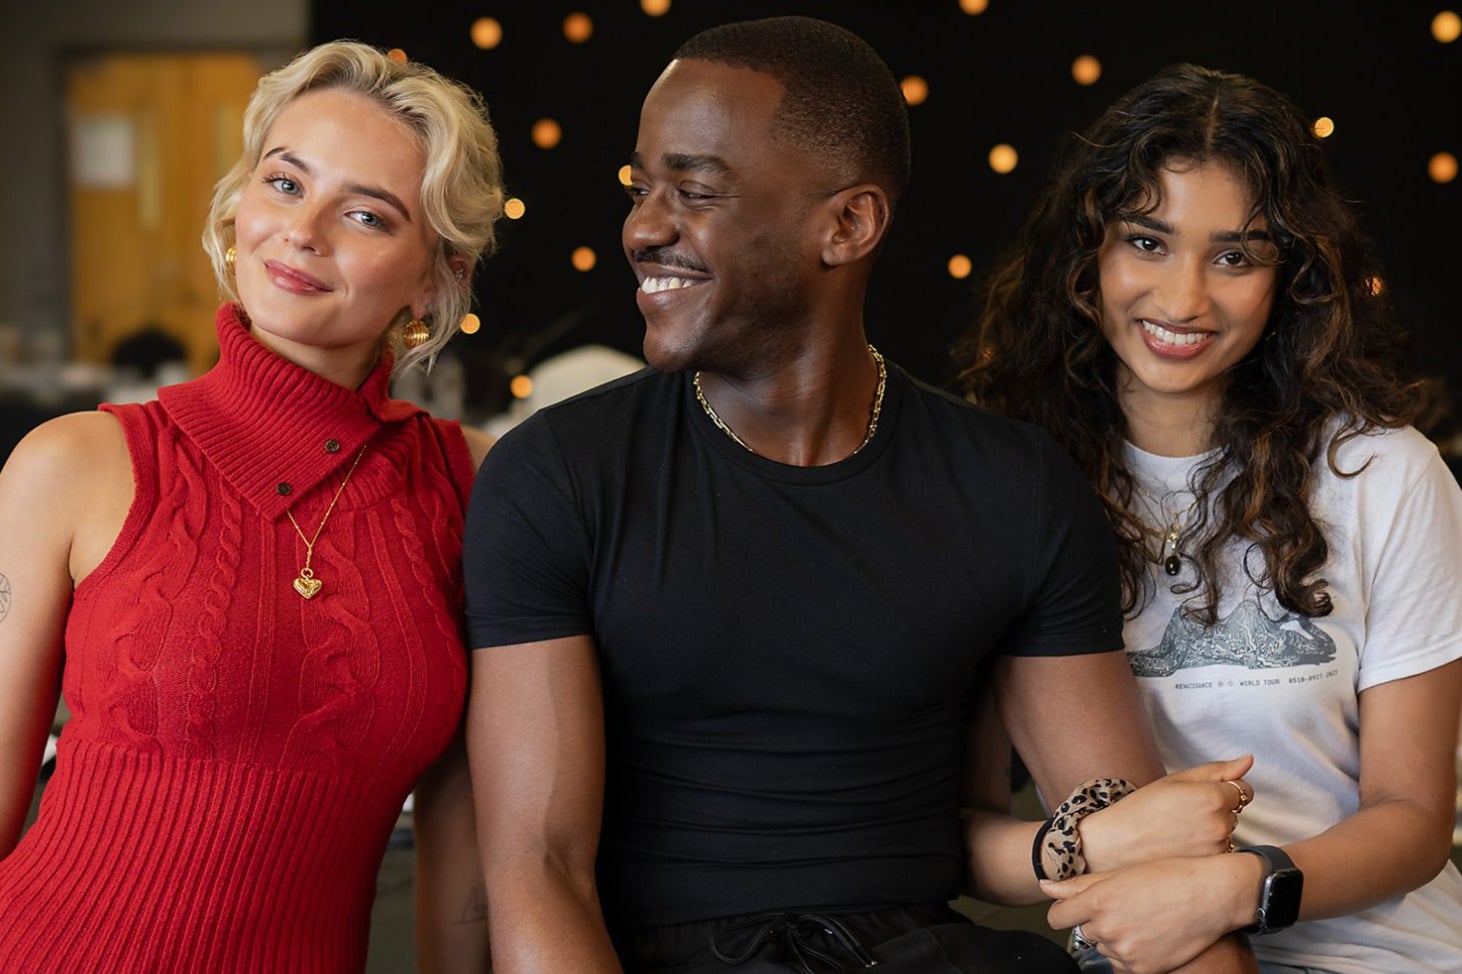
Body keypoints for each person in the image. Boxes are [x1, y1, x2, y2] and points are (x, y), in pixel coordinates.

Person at [463, 18, 1253, 974]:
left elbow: (1131, 845)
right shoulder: (557, 475)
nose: (642, 226)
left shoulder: (1013, 487)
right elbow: (539, 869)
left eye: (695, 190)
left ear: (847, 224)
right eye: (642, 188)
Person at [0, 40, 502, 972]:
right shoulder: (76, 463)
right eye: (283, 183)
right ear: (237, 203)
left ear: (437, 277)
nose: (303, 231)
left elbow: (468, 828)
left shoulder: (477, 488)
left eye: (364, 214)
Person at [961, 63, 1462, 974]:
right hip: (1148, 958)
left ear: (1290, 279)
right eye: (1147, 242)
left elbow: (1415, 820)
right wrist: (1092, 859)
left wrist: (1230, 888)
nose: (1185, 299)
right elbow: (962, 835)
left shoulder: (1386, 475)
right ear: (1087, 257)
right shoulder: (1003, 487)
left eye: (1234, 256)